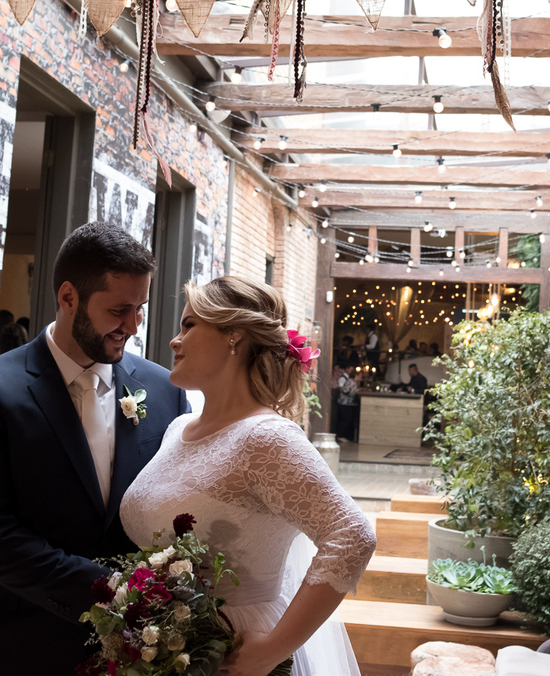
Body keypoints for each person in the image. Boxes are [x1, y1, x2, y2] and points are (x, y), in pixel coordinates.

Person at [0, 222, 190, 676]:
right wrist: (111, 590)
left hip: (130, 656)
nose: (133, 326)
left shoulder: (164, 390)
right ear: (68, 297)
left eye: (141, 309)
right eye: (120, 310)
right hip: (11, 647)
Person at [121, 276, 377, 676]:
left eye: (189, 325)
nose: (174, 340)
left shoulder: (267, 438)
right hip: (168, 646)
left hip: (233, 649)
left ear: (234, 336)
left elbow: (351, 535)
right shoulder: (179, 428)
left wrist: (273, 648)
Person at [334, 365, 361, 443]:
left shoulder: (353, 381)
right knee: (345, 420)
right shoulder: (351, 381)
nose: (361, 378)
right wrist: (355, 392)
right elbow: (345, 391)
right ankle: (340, 436)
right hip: (344, 403)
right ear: (356, 376)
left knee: (348, 420)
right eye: (360, 376)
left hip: (348, 404)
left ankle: (345, 436)